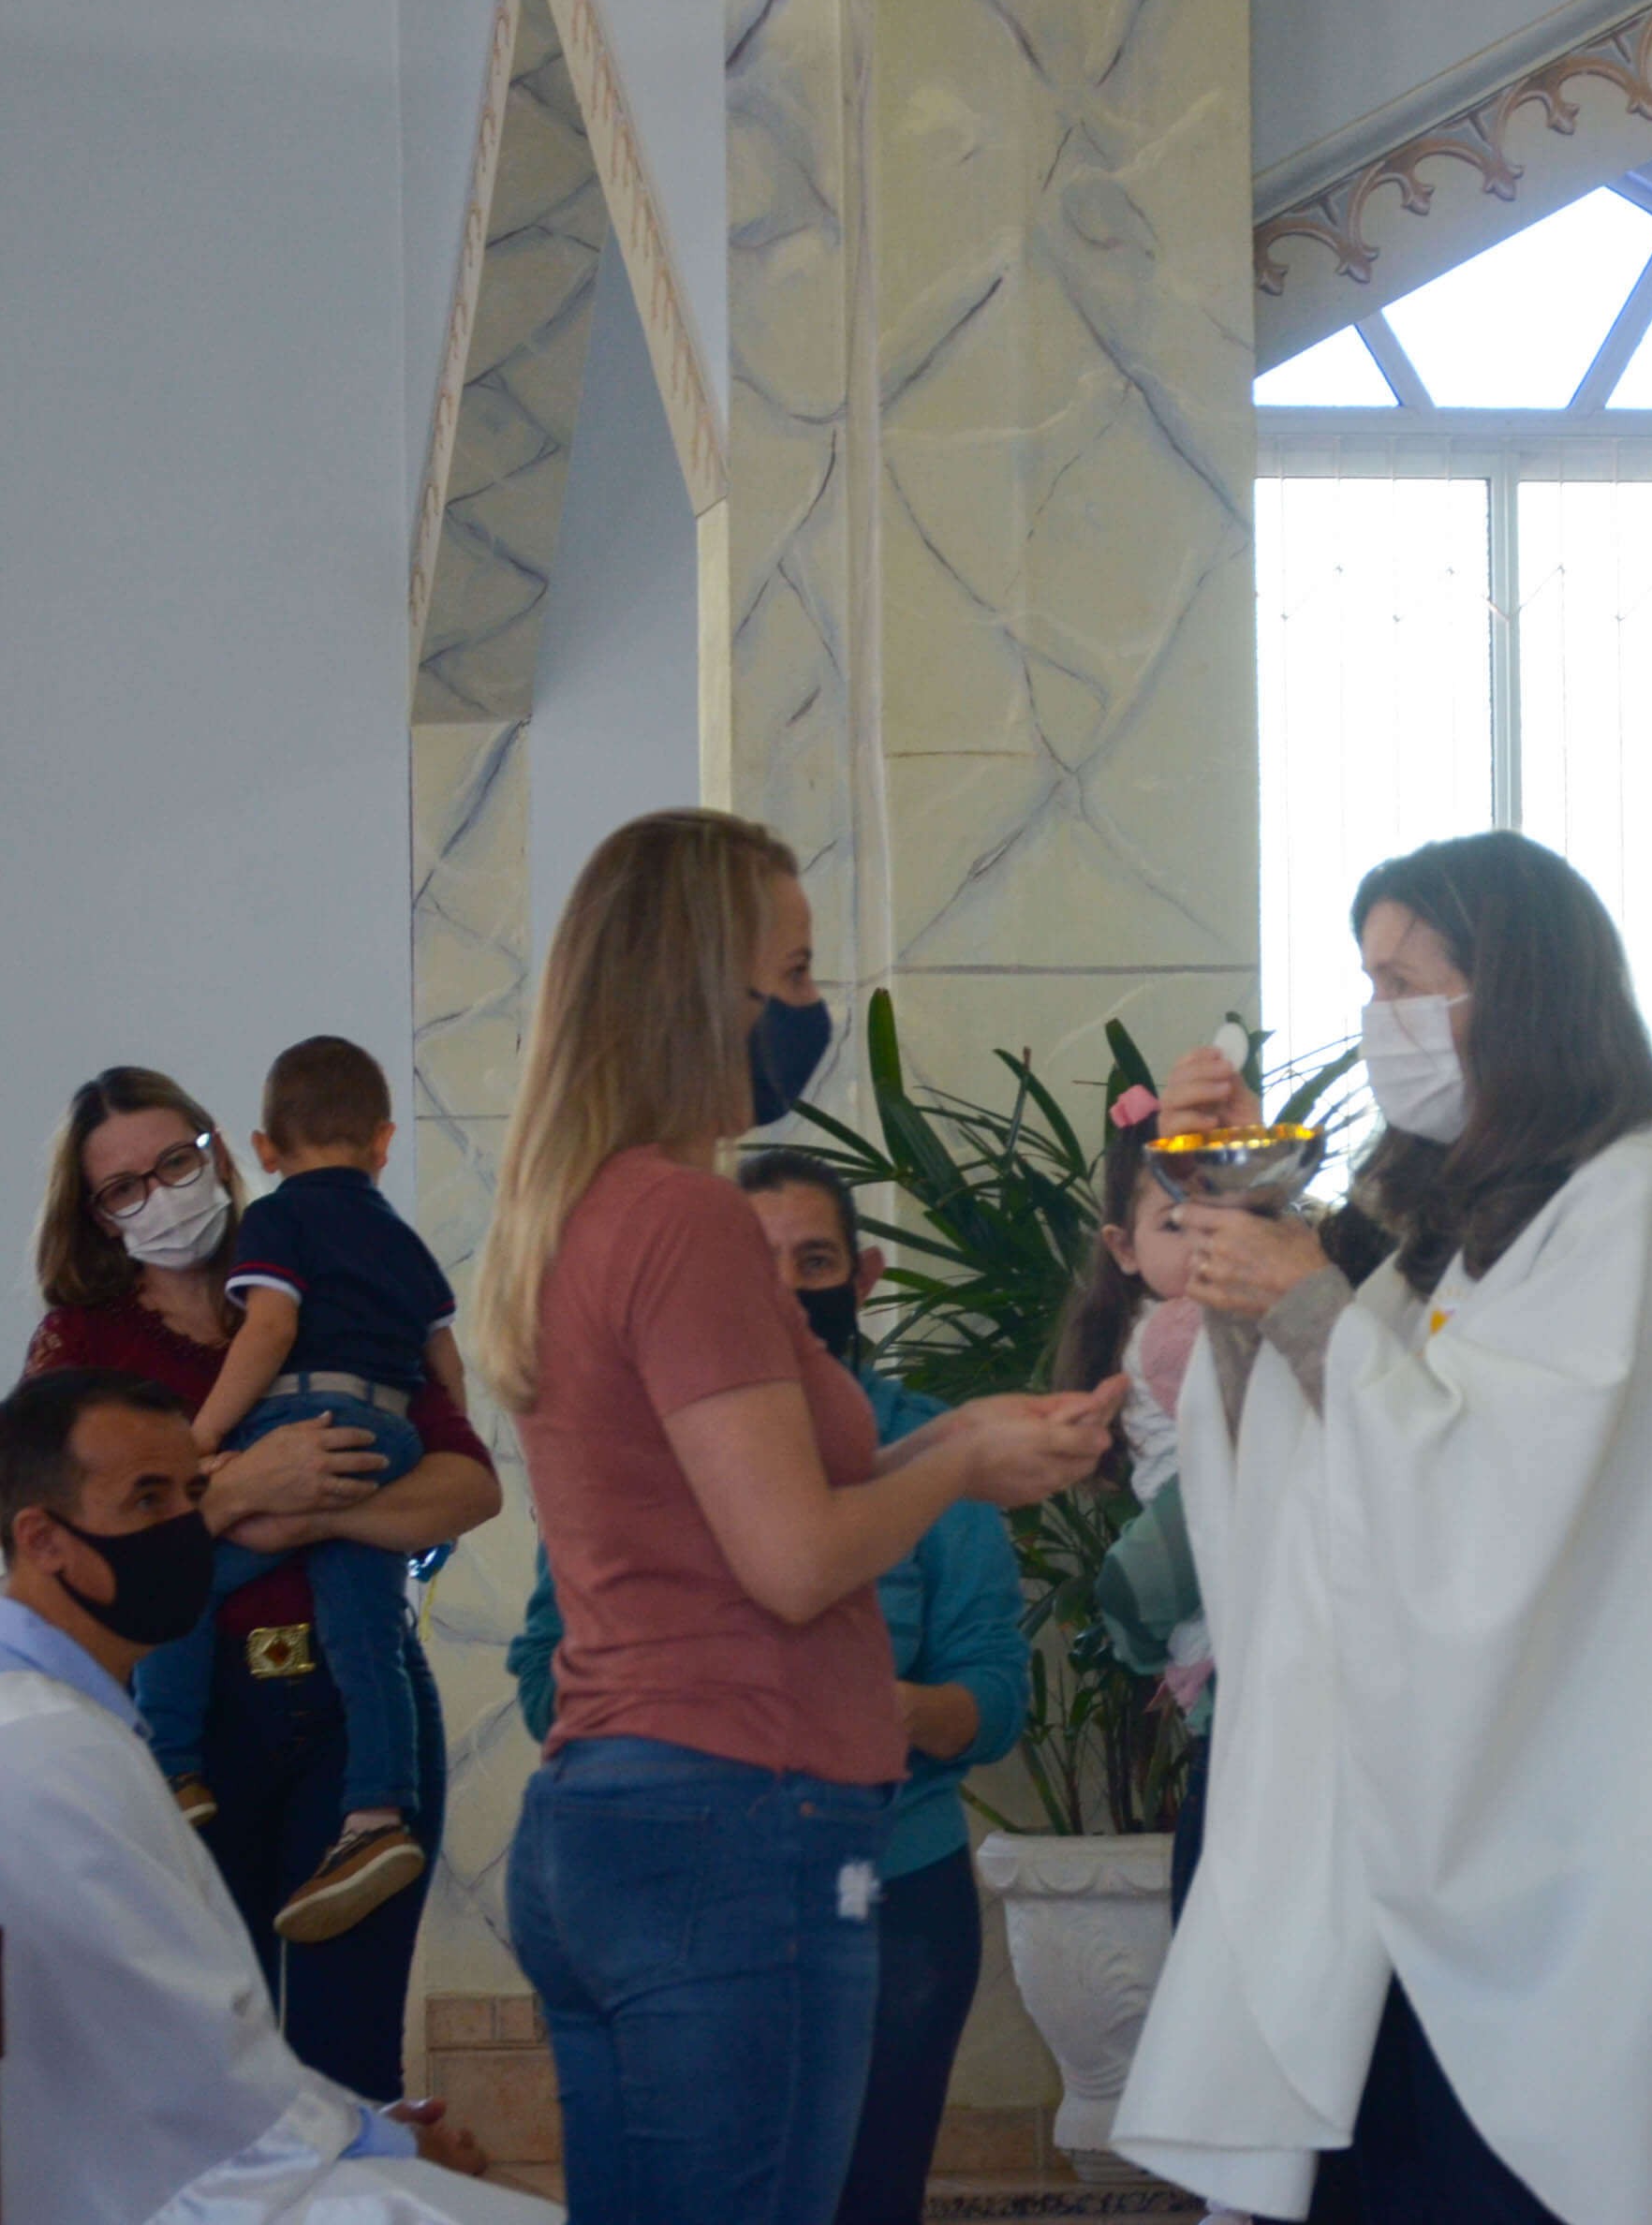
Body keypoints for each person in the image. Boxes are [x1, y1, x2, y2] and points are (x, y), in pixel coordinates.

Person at [1114, 830, 1652, 2225]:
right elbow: (1319, 1461)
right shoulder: (1451, 1230)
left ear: (1514, 990)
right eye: (1368, 982)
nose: (1379, 1021)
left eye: (1409, 980)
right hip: (1405, 1820)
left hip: (1549, 1835)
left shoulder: (1627, 1207)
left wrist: (1302, 1300)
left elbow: (1503, 1509)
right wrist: (1234, 1214)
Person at [484, 809, 1118, 2225]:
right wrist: (956, 1473)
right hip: (734, 1821)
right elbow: (789, 1561)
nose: (810, 1008)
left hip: (625, 1820)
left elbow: (739, 1506)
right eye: (792, 971)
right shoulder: (686, 1220)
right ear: (700, 986)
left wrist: (958, 1433)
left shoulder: (583, 1209)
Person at [0, 1370, 553, 2225]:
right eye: (145, 1499)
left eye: (190, 1492)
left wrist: (361, 2127)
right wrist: (390, 2141)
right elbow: (196, 2072)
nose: (185, 1528)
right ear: (44, 1538)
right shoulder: (47, 1745)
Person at [500, 1145, 1029, 2225]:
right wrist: (685, 1710)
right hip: (722, 1837)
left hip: (887, 1866)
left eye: (816, 1261)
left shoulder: (914, 1435)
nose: (788, 1293)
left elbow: (994, 1688)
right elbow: (556, 1653)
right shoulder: (648, 1421)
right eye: (762, 1265)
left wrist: (904, 1712)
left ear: (863, 1276)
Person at [23, 1063, 503, 2100]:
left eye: (175, 1162)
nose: (159, 1193)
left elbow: (466, 1486)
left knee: (350, 2068)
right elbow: (74, 1551)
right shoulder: (86, 1345)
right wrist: (237, 1491)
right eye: (123, 1187)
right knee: (210, 2071)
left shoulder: (323, 1267)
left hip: (354, 1707)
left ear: (223, 1152)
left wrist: (318, 1506)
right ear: (97, 1216)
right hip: (188, 1727)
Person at [137, 1035, 462, 1943]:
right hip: (389, 1430)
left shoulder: (276, 1221)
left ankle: (170, 1763)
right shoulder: (406, 1241)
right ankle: (375, 1820)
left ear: (265, 1149)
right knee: (367, 1633)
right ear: (384, 1142)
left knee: (187, 1583)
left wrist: (204, 1438)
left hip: (298, 1421)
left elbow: (271, 1330)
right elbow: (449, 1370)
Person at [1068, 1094, 1214, 1893]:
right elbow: (1243, 1467)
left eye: (1224, 1210)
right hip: (1213, 1595)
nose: (1206, 1238)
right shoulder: (1182, 1327)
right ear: (1122, 1249)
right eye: (1175, 1222)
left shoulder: (1182, 1319)